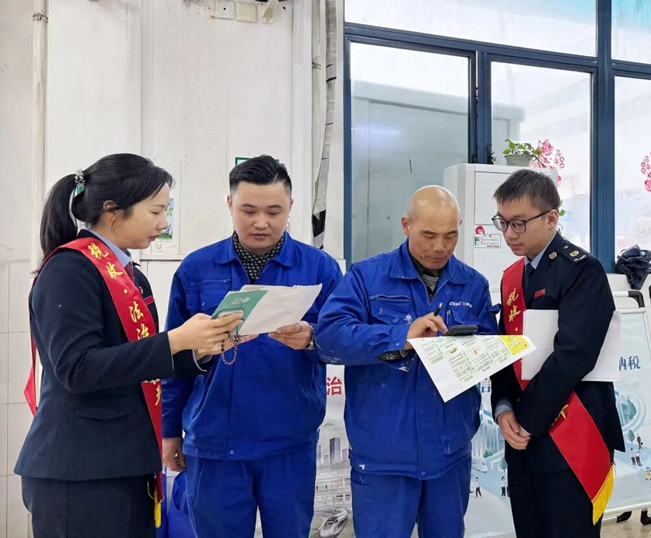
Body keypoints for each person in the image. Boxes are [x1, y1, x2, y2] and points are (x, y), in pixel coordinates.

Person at [15, 154, 243, 538]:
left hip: (127, 463)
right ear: (112, 210)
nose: (164, 223)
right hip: (80, 470)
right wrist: (175, 340)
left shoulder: (131, 275)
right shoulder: (69, 269)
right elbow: (77, 369)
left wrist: (201, 348)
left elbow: (137, 361)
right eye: (156, 211)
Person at [161, 155, 342, 538]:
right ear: (230, 204)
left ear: (290, 206)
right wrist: (169, 430)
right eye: (249, 210)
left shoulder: (319, 269)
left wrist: (313, 338)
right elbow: (173, 359)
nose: (261, 222)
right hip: (214, 439)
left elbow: (343, 339)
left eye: (274, 211)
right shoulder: (196, 269)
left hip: (289, 440)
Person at [316, 186, 499, 538]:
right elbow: (329, 338)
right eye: (428, 235)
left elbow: (488, 348)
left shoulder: (473, 285)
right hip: (384, 454)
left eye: (450, 235)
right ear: (406, 225)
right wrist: (401, 337)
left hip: (449, 451)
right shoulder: (367, 278)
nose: (440, 246)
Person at [490, 169, 624, 538]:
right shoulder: (511, 277)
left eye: (519, 223)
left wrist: (526, 420)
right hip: (522, 439)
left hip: (573, 436)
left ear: (551, 218)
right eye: (503, 222)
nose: (509, 234)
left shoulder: (582, 271)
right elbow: (506, 349)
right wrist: (503, 408)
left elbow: (574, 355)